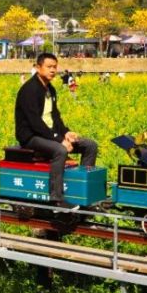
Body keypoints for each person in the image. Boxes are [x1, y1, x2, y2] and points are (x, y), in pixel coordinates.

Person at [14, 53, 98, 210]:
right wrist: (60, 140)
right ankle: (57, 199)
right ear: (38, 68)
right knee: (60, 150)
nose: (53, 70)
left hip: (48, 134)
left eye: (55, 67)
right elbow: (35, 123)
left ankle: (82, 191)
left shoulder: (50, 89)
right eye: (49, 67)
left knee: (90, 145)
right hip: (31, 136)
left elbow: (55, 116)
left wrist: (66, 132)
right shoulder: (29, 90)